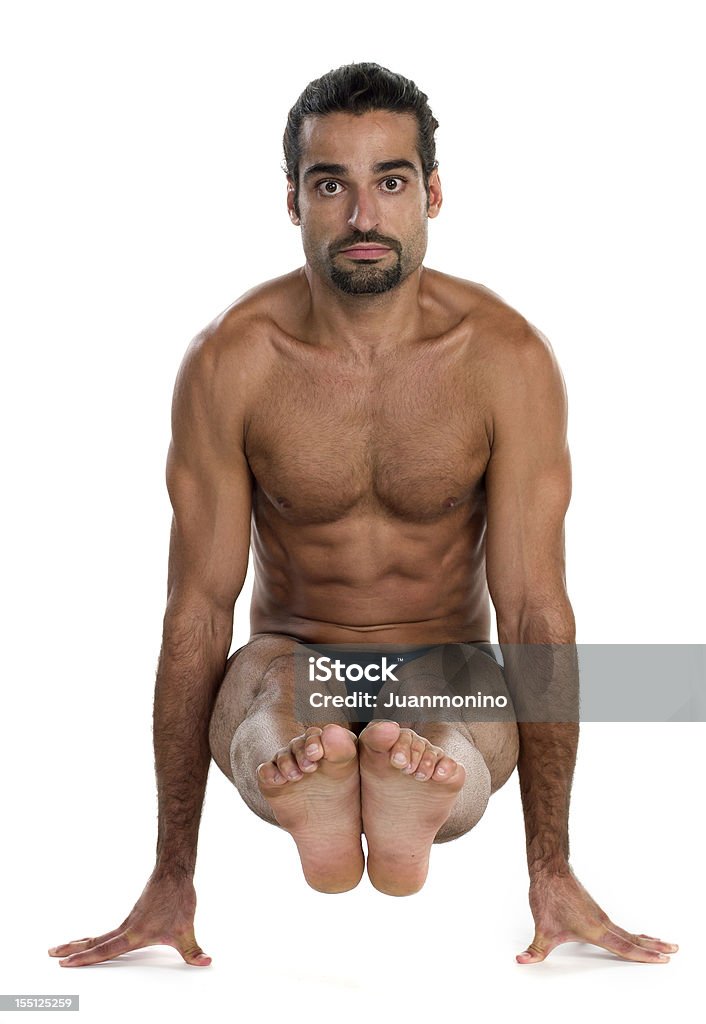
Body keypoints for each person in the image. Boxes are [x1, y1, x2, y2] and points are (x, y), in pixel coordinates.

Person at [48, 62, 678, 968]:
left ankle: (404, 784)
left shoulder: (505, 358)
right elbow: (197, 613)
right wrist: (169, 870)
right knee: (271, 702)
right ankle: (329, 777)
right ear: (293, 200)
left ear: (433, 191)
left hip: (442, 660)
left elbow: (536, 610)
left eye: (390, 181)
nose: (363, 216)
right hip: (294, 653)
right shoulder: (234, 361)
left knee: (451, 712)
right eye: (329, 184)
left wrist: (554, 865)